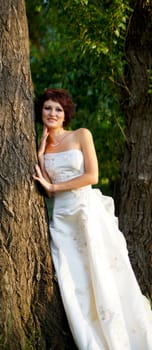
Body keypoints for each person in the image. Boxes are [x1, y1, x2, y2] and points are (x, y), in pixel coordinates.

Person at [33, 88, 152, 350]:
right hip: (63, 219)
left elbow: (92, 176)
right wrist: (41, 154)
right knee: (75, 280)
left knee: (102, 273)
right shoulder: (41, 146)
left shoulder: (81, 135)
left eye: (58, 109)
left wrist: (53, 188)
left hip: (87, 212)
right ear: (40, 112)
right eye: (47, 108)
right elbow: (48, 186)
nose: (52, 113)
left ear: (66, 115)